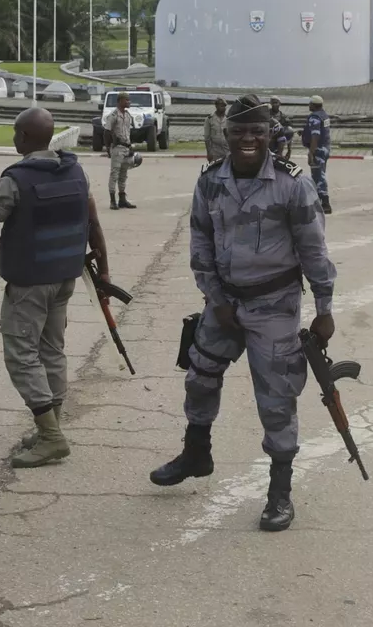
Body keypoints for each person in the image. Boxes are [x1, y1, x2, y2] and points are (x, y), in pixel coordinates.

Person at [151, 95, 336, 533]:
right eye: (239, 131)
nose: (248, 138)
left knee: (275, 398)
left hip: (274, 305)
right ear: (227, 134)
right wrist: (215, 299)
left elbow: (314, 251)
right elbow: (199, 243)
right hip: (223, 303)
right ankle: (197, 453)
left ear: (271, 133)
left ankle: (280, 491)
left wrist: (325, 309)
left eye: (257, 131)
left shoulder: (293, 185)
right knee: (199, 375)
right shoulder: (211, 180)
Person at [0, 107, 111, 467]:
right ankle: (53, 426)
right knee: (52, 350)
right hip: (64, 277)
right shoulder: (75, 171)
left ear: (27, 138)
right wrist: (106, 272)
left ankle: (51, 436)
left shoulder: (15, 179)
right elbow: (93, 224)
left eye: (16, 133)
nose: (14, 138)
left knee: (21, 354)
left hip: (30, 281)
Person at [102, 93, 135, 209]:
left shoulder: (127, 115)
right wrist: (108, 148)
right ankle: (112, 201)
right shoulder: (113, 115)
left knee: (123, 174)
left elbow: (128, 132)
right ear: (120, 101)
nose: (129, 102)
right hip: (117, 148)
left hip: (126, 148)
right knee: (114, 174)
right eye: (126, 100)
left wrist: (130, 146)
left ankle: (122, 199)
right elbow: (106, 132)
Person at [301, 95, 333, 213]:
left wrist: (311, 152)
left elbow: (315, 135)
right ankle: (318, 201)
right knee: (318, 174)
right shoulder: (324, 115)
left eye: (310, 104)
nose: (309, 105)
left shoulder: (314, 117)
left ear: (314, 105)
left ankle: (325, 203)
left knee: (319, 176)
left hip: (318, 150)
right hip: (325, 148)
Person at [203, 97, 229, 167]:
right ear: (216, 106)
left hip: (227, 151)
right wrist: (209, 152)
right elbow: (207, 137)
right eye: (221, 106)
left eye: (224, 106)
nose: (223, 108)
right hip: (215, 151)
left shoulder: (229, 119)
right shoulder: (210, 119)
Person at [267, 97, 294, 163]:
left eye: (276, 103)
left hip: (278, 146)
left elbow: (289, 133)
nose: (274, 105)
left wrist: (289, 150)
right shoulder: (266, 115)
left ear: (280, 104)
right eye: (273, 103)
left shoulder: (284, 118)